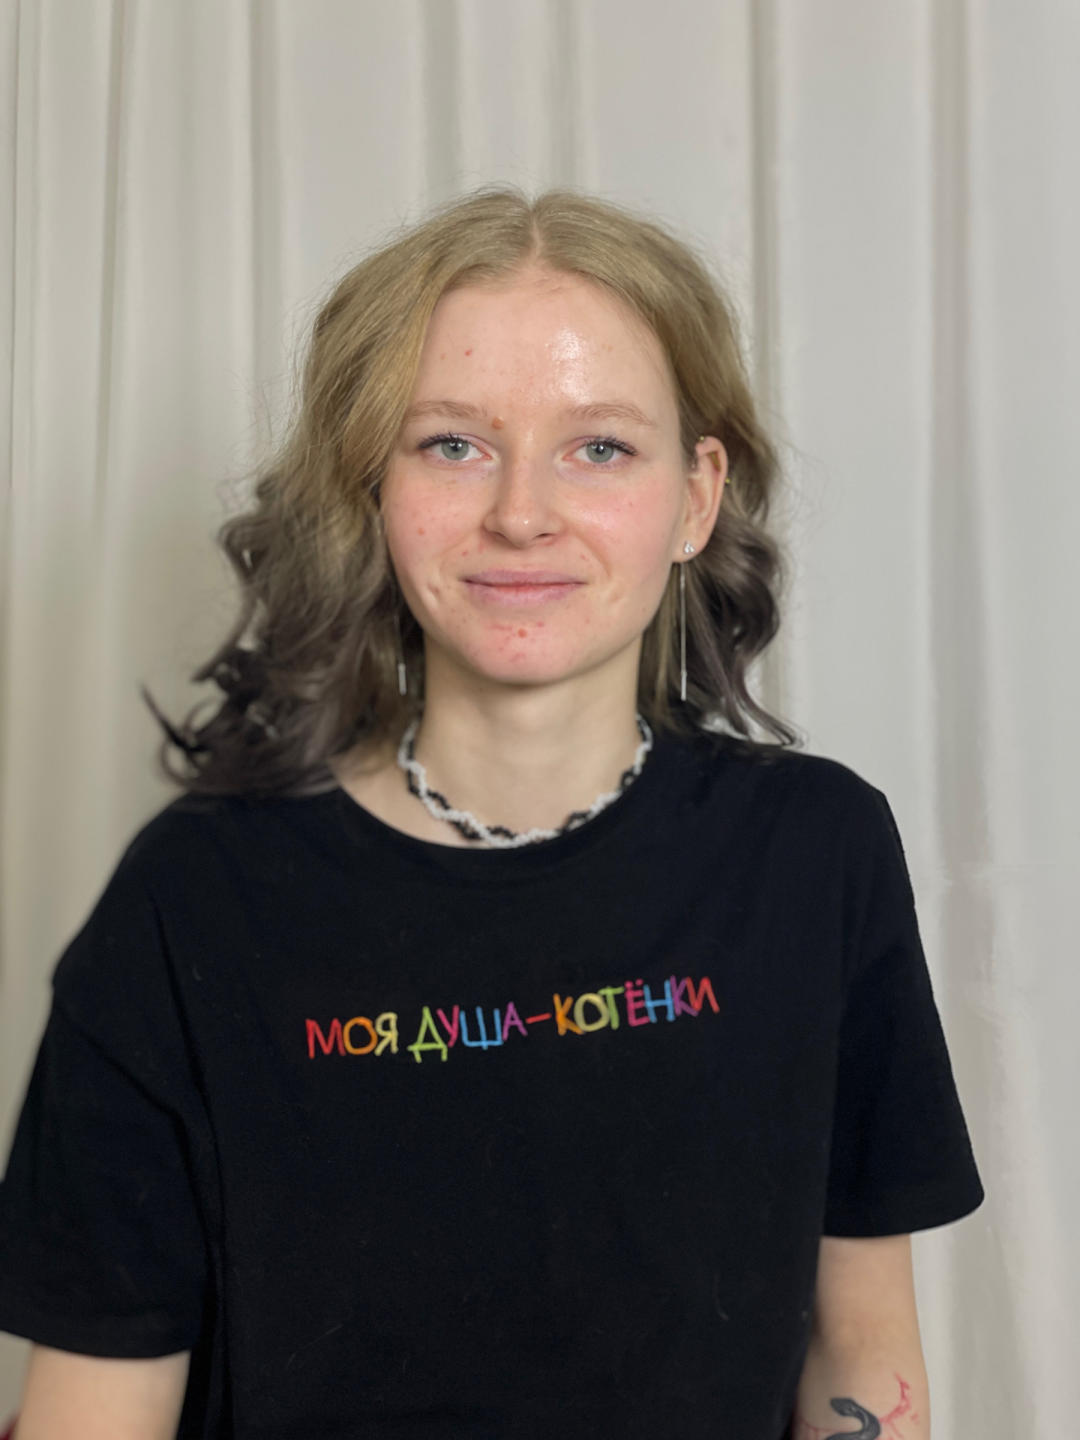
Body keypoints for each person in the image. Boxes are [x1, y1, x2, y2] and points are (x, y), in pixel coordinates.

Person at [0, 186, 983, 1439]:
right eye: (452, 445)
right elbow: (95, 1408)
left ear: (696, 497)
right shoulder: (195, 896)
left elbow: (862, 1346)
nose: (522, 513)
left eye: (600, 447)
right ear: (370, 486)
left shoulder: (815, 854)